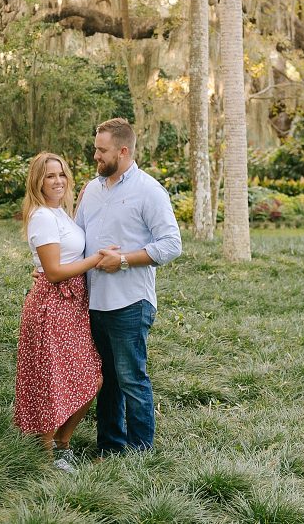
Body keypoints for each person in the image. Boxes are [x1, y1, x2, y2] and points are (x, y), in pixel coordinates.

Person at [75, 118, 182, 455]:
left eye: (101, 150)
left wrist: (122, 261)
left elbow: (171, 245)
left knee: (131, 380)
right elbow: (77, 239)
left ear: (122, 152)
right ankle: (109, 447)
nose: (96, 156)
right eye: (95, 149)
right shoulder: (92, 189)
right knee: (105, 382)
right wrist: (49, 269)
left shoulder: (149, 191)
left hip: (130, 302)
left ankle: (139, 453)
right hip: (93, 303)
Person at [13, 151, 113, 474]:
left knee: (92, 377)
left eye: (61, 175)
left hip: (71, 307)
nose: (57, 181)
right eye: (49, 176)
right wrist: (97, 259)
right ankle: (47, 454)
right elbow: (54, 271)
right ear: (37, 182)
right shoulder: (42, 216)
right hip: (51, 307)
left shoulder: (61, 213)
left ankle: (62, 443)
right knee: (53, 380)